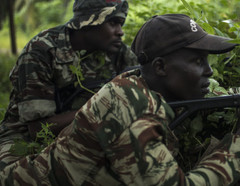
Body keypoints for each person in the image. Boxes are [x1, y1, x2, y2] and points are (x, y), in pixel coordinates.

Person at [0, 14, 240, 185]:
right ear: (160, 67)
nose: (209, 70)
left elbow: (221, 95)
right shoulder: (130, 111)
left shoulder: (152, 85)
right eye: (197, 61)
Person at [0, 0, 137, 170]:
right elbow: (38, 129)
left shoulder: (117, 53)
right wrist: (100, 107)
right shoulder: (42, 50)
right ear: (88, 23)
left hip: (88, 131)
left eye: (121, 24)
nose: (120, 32)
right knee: (14, 174)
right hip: (24, 137)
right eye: (113, 23)